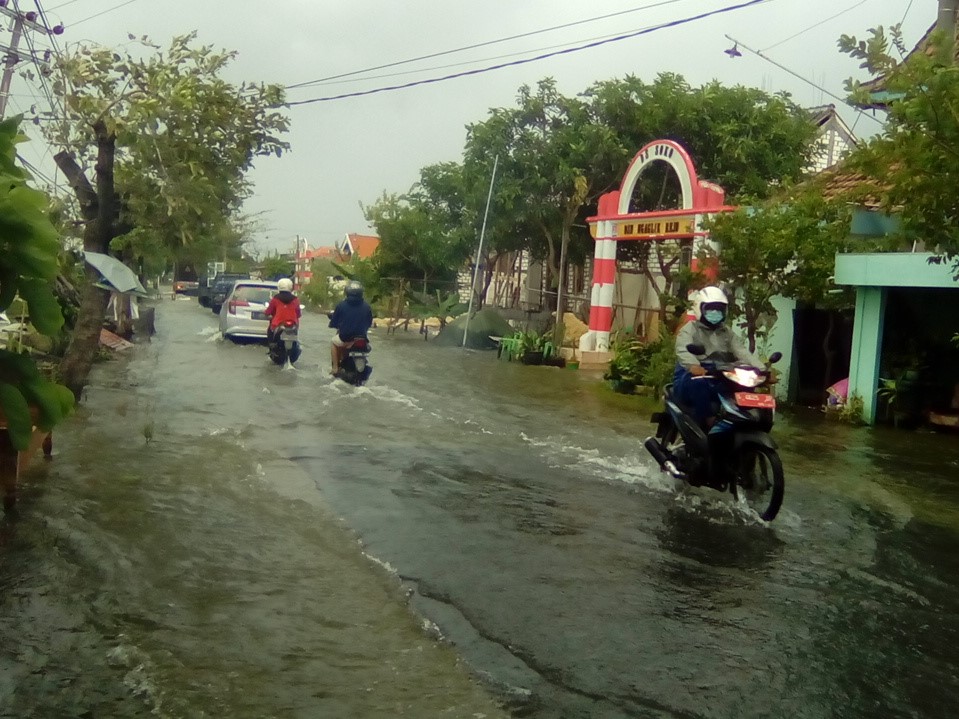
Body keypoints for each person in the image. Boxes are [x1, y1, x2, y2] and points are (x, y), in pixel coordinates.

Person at [673, 286, 762, 427]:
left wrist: (762, 370)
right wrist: (693, 366)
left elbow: (742, 351)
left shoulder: (727, 332)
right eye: (710, 309)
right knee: (699, 384)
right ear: (700, 309)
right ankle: (708, 421)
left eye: (719, 309)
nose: (715, 312)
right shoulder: (690, 329)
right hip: (693, 375)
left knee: (746, 386)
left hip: (721, 373)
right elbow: (684, 350)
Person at [329, 280, 373, 375]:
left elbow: (334, 322)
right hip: (362, 339)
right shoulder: (367, 306)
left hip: (345, 338)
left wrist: (333, 324)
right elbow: (369, 322)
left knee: (333, 342)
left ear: (347, 292)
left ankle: (335, 368)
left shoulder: (341, 305)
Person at [264, 277, 301, 344]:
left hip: (278, 323)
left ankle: (272, 345)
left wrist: (267, 315)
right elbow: (298, 314)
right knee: (296, 337)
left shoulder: (275, 299)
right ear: (290, 287)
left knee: (270, 330)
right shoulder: (296, 300)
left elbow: (268, 312)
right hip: (293, 324)